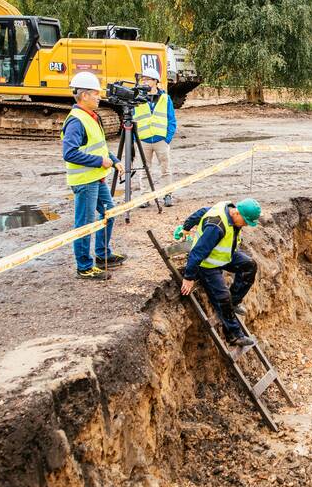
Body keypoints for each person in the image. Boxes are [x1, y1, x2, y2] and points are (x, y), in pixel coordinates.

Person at [62, 71, 127, 280]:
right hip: (85, 181)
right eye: (96, 94)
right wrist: (101, 162)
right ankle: (84, 266)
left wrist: (113, 160)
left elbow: (97, 148)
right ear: (84, 95)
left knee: (109, 212)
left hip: (96, 179)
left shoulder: (92, 116)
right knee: (85, 224)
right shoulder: (76, 121)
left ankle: (102, 254)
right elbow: (69, 153)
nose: (99, 97)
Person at [176, 198, 262, 347]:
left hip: (224, 256)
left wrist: (186, 226)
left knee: (249, 266)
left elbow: (203, 212)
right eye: (246, 221)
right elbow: (197, 252)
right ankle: (234, 335)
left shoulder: (228, 210)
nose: (246, 225)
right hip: (207, 264)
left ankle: (234, 302)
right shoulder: (217, 226)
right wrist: (189, 277)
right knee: (222, 297)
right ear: (236, 213)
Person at [133, 61, 177, 207]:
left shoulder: (165, 99)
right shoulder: (138, 99)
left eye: (147, 79)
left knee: (165, 169)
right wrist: (136, 139)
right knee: (144, 170)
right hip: (144, 140)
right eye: (143, 79)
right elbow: (133, 119)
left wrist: (167, 138)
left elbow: (172, 120)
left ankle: (167, 195)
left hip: (160, 140)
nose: (144, 81)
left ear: (155, 81)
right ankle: (146, 198)